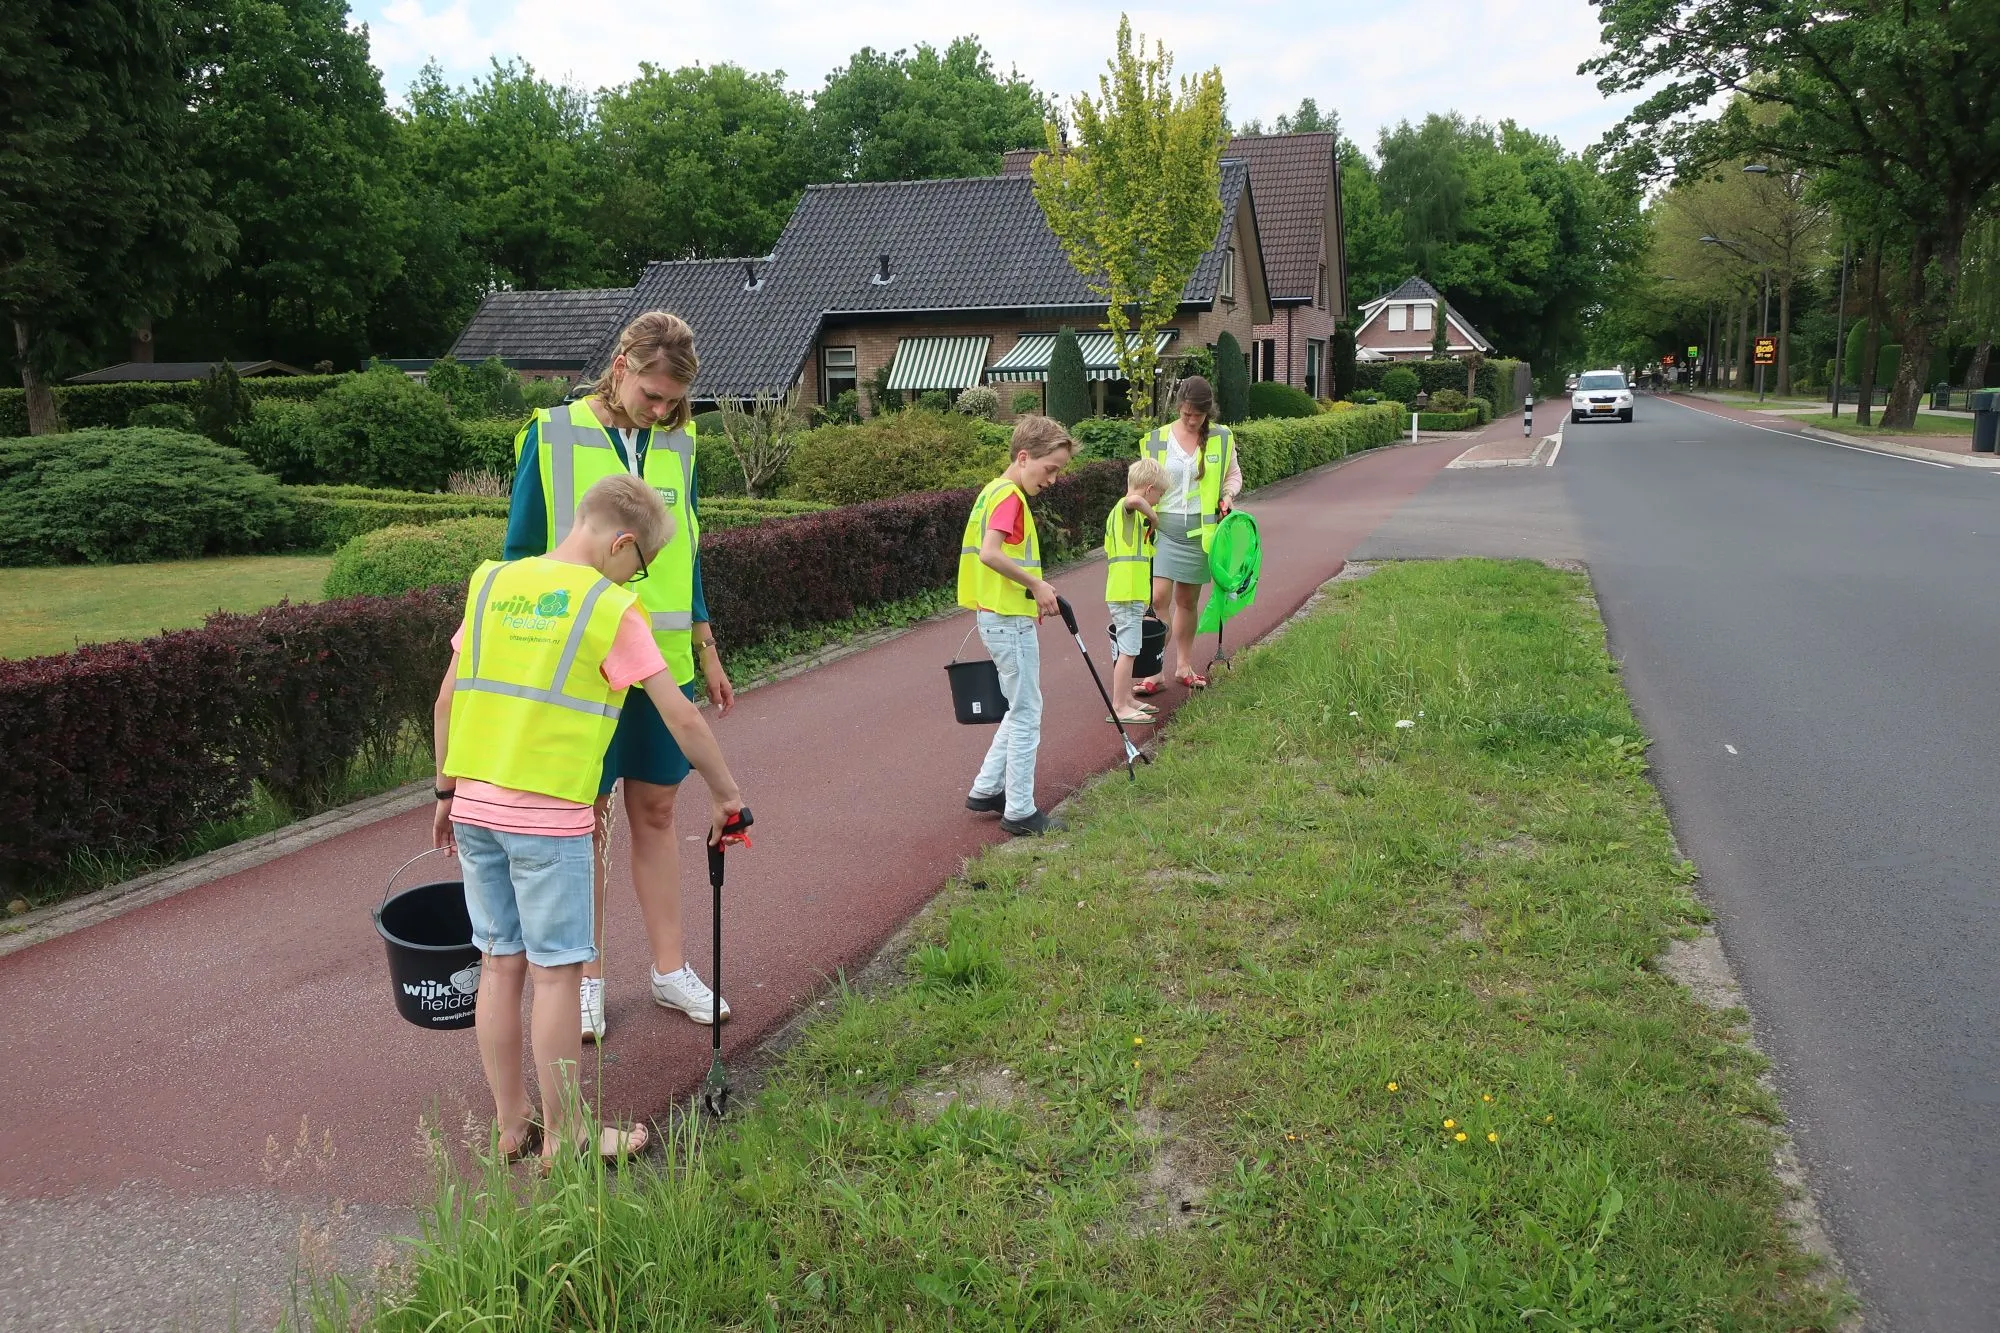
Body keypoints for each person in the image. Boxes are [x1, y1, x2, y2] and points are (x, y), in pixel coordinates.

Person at [431, 474, 746, 1163]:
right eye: (642, 564)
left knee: (498, 966)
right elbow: (679, 713)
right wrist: (726, 794)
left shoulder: (493, 583)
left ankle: (513, 1124)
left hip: (476, 812)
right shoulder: (609, 608)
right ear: (623, 543)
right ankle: (569, 1134)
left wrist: (444, 793)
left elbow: (447, 700)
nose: (638, 577)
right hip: (547, 821)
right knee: (555, 977)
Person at [506, 311, 734, 1043]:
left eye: (673, 399)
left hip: (658, 663)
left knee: (659, 812)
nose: (661, 410)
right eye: (651, 393)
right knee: (587, 821)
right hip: (578, 664)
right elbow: (519, 557)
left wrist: (704, 638)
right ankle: (588, 981)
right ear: (620, 365)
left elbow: (689, 544)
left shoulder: (682, 441)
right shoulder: (549, 434)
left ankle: (670, 971)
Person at [958, 416, 1076, 837]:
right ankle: (1020, 810)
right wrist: (1037, 585)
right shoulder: (1009, 496)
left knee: (1018, 704)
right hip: (1007, 620)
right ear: (1024, 457)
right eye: (1050, 468)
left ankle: (988, 788)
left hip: (998, 615)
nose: (1054, 479)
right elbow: (991, 554)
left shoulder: (993, 491)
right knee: (1027, 711)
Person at [1135, 376, 1242, 694]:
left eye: (1197, 415)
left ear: (1208, 412)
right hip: (1163, 528)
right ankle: (1154, 672)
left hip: (1200, 532)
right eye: (1185, 414)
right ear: (1178, 408)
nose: (1191, 420)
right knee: (1157, 598)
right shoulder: (1156, 439)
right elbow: (1141, 481)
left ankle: (1184, 665)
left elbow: (1233, 475)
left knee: (1186, 601)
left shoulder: (1222, 438)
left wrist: (1228, 495)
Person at [1105, 457, 1167, 726]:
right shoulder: (1126, 507)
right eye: (1159, 495)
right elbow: (1133, 500)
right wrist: (1153, 517)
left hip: (1128, 592)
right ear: (1149, 488)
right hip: (1124, 591)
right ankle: (1119, 705)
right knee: (1128, 650)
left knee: (1132, 646)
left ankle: (1127, 698)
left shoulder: (1130, 519)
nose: (1158, 502)